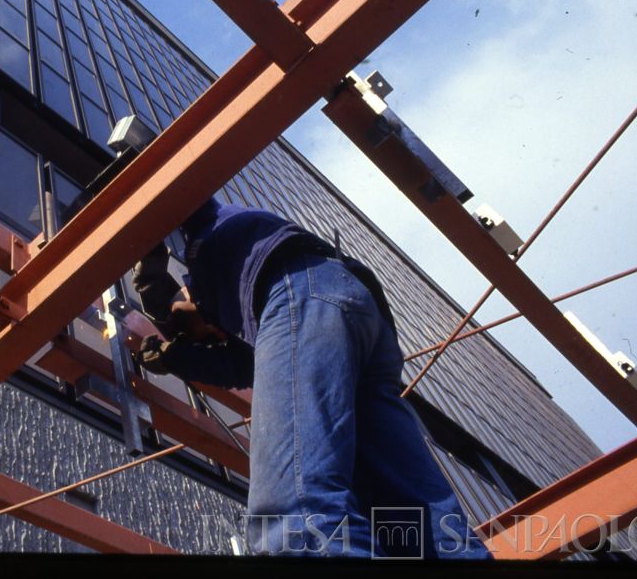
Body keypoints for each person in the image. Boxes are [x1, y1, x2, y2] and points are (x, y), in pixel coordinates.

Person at [131, 196, 492, 559]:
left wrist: (147, 248)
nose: (210, 335)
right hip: (354, 314)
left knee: (295, 515)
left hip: (300, 286)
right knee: (413, 520)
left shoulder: (210, 234)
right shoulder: (244, 315)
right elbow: (244, 366)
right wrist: (178, 358)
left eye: (200, 332)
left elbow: (186, 193)